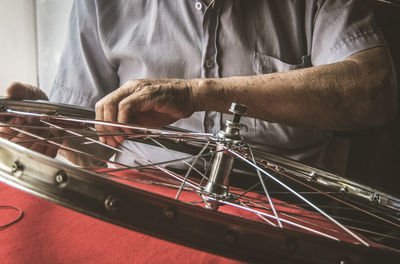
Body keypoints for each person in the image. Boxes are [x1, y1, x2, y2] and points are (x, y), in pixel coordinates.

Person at [5, 0, 397, 174]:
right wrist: (55, 129)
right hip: (141, 203)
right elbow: (91, 150)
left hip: (292, 217)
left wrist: (198, 94)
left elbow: (374, 91)